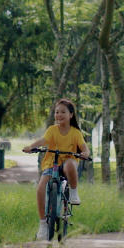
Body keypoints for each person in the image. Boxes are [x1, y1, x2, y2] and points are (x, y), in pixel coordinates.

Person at [22, 98, 89, 240]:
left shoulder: (75, 133)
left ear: (71, 114)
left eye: (63, 112)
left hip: (68, 165)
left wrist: (85, 153)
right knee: (41, 188)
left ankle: (73, 192)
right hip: (52, 164)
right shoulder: (52, 130)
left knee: (70, 164)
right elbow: (43, 141)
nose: (59, 115)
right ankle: (43, 225)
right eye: (57, 112)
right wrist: (31, 146)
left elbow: (84, 147)